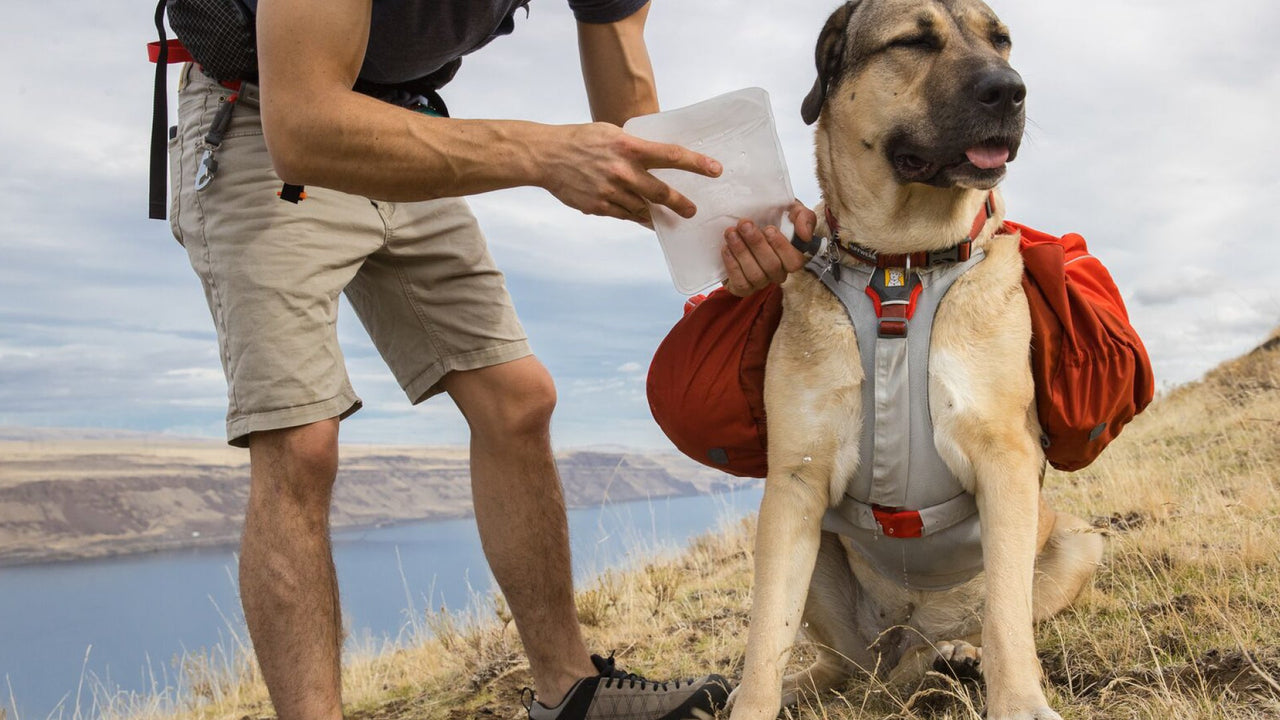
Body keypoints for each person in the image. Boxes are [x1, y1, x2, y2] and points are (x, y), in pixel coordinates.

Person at [167, 0, 811, 718]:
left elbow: (632, 124)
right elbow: (305, 126)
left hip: (402, 120)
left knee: (517, 400)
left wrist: (738, 224)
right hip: (265, 119)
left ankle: (570, 691)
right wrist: (545, 153)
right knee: (299, 441)